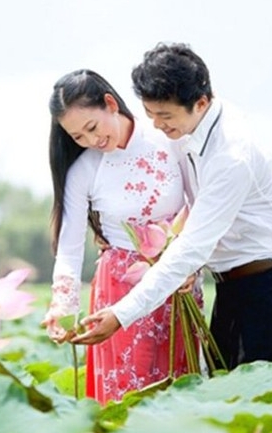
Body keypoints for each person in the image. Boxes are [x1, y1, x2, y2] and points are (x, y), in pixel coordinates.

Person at [72, 43, 272, 371]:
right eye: (150, 114)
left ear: (200, 103)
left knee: (254, 394)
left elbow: (194, 245)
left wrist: (121, 314)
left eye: (165, 116)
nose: (156, 125)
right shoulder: (191, 127)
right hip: (231, 282)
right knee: (221, 387)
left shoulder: (231, 156)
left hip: (269, 283)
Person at [41, 69, 202, 404]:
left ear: (111, 104)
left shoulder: (169, 141)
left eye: (92, 127)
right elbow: (70, 248)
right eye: (77, 137)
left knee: (181, 395)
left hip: (176, 279)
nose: (91, 141)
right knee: (127, 400)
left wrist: (193, 267)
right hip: (118, 287)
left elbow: (199, 207)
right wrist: (62, 306)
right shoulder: (84, 170)